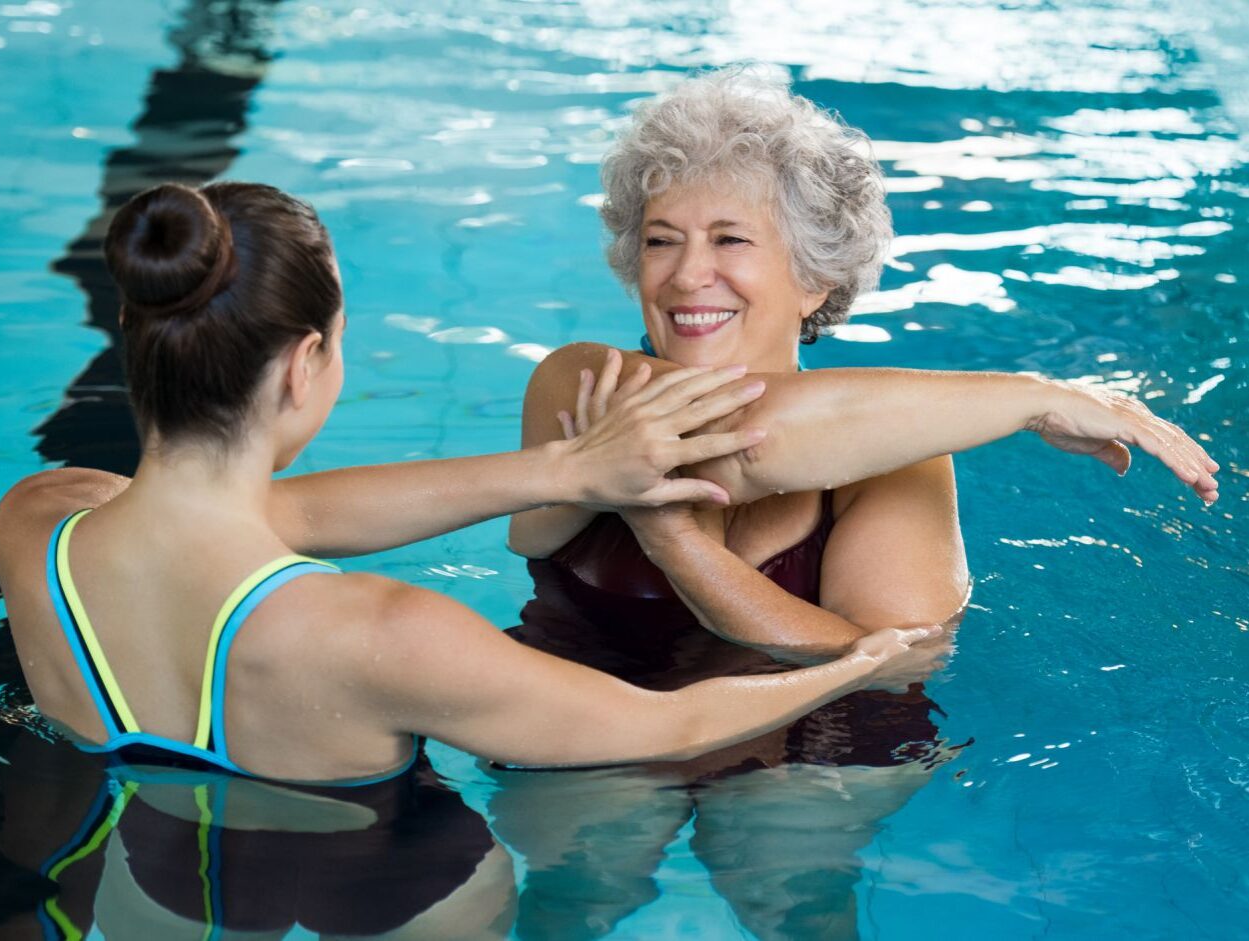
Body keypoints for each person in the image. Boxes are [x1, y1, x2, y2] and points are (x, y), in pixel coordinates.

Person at [494, 68, 1220, 938]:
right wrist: (1028, 395)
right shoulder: (580, 384)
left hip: (814, 735)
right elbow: (742, 435)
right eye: (660, 241)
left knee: (788, 887)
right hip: (594, 700)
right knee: (575, 891)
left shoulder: (901, 456)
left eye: (730, 240)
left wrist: (680, 546)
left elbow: (891, 660)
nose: (689, 275)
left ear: (810, 281)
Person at [0, 180, 940, 792]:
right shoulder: (387, 636)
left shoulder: (37, 522)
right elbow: (674, 723)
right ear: (305, 365)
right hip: (384, 898)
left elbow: (265, 515)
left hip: (129, 884)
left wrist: (563, 473)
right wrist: (860, 660)